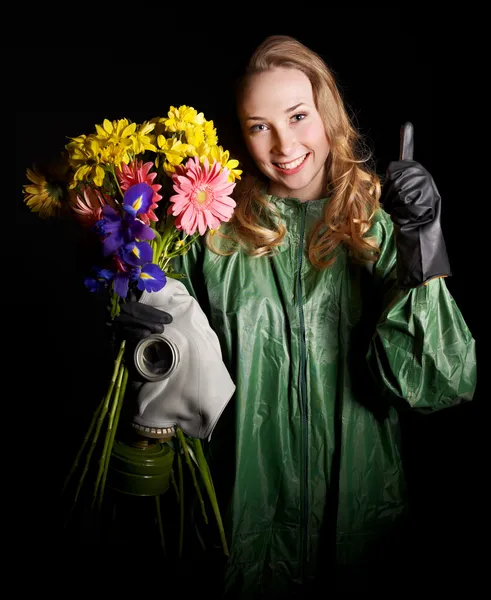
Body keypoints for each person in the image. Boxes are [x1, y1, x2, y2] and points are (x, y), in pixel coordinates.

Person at [115, 35, 477, 597]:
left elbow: (440, 383)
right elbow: (161, 373)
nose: (283, 145)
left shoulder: (380, 234)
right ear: (241, 133)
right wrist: (136, 322)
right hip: (242, 529)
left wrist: (422, 244)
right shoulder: (208, 238)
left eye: (298, 116)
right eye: (260, 126)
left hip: (357, 525)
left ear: (327, 112)